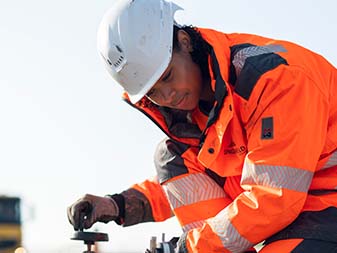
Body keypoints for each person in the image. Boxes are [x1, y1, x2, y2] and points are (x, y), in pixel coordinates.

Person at [67, 0, 337, 252]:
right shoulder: (198, 112)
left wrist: (189, 246)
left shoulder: (274, 81)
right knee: (171, 156)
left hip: (327, 203)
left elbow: (275, 197)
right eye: (153, 92)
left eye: (168, 76)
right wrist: (117, 204)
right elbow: (202, 175)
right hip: (290, 209)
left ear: (185, 42)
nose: (168, 96)